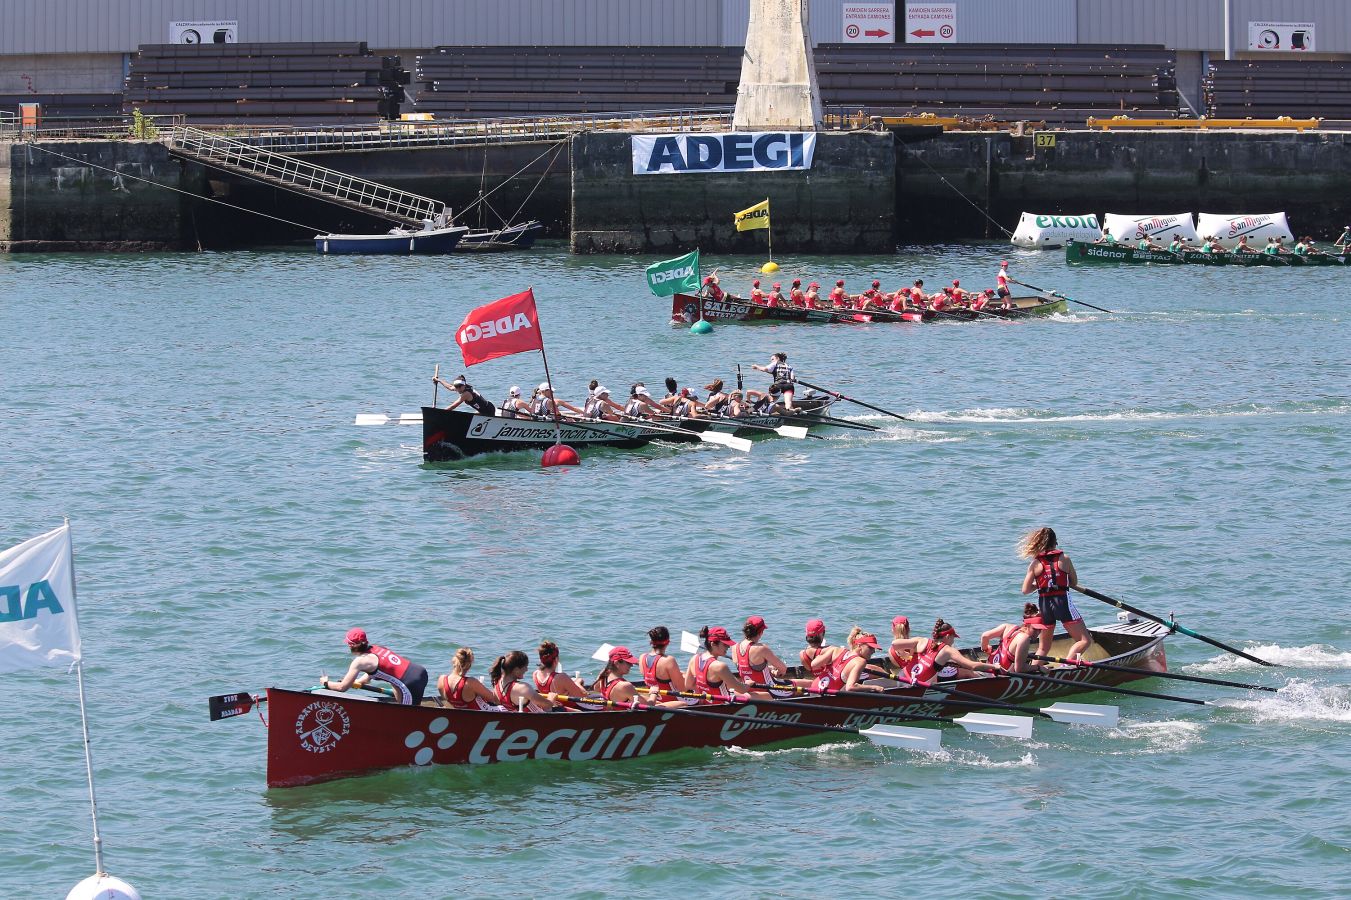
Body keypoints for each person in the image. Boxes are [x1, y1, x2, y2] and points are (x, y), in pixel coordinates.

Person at [1019, 526, 1094, 660]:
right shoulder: (1064, 558)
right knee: (1084, 640)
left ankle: (1037, 669)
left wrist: (1040, 584)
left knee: (1043, 648)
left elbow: (1025, 590)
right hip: (1063, 604)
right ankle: (1067, 665)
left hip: (1045, 606)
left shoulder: (1035, 563)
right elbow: (1073, 582)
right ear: (1055, 542)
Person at [322, 627, 428, 705]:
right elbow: (371, 675)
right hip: (420, 672)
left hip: (410, 683)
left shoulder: (359, 661)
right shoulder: (378, 648)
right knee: (394, 682)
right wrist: (359, 682)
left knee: (408, 719)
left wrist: (326, 683)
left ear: (351, 645)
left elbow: (342, 687)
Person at [895, 620, 1001, 685]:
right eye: (953, 637)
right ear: (947, 636)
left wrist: (909, 654)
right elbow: (972, 665)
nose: (953, 641)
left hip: (902, 677)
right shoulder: (948, 650)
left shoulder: (922, 640)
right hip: (913, 687)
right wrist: (994, 666)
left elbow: (895, 644)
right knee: (968, 672)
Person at [685, 626, 756, 703]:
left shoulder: (694, 658)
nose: (728, 646)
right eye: (725, 644)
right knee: (750, 695)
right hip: (723, 706)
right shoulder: (720, 666)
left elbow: (688, 685)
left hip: (706, 704)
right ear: (713, 644)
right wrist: (748, 684)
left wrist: (706, 688)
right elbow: (741, 689)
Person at [979, 604, 1050, 674]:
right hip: (1000, 675)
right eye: (1035, 629)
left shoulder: (1007, 627)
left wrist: (985, 649)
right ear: (1026, 625)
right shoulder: (1024, 639)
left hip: (988, 666)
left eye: (1040, 629)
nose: (1038, 633)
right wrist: (1038, 667)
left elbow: (984, 636)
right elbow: (1019, 669)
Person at [813, 627, 885, 693]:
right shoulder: (860, 662)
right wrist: (875, 687)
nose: (873, 651)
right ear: (859, 645)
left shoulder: (837, 649)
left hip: (814, 687)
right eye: (870, 648)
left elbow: (814, 664)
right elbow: (850, 687)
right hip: (826, 695)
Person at [733, 615, 789, 691]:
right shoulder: (762, 648)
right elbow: (783, 669)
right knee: (807, 683)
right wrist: (776, 673)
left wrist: (768, 669)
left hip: (748, 689)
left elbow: (749, 668)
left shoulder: (734, 647)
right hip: (768, 689)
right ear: (761, 632)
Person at [437, 647, 504, 710]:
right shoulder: (470, 682)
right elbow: (495, 700)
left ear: (454, 661)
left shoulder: (441, 680)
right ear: (469, 665)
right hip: (482, 715)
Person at [532, 640, 587, 710]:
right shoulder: (561, 677)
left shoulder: (535, 674)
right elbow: (582, 697)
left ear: (541, 659)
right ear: (556, 659)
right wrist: (577, 683)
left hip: (553, 706)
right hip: (569, 709)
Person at [639, 626, 688, 703]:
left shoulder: (642, 658)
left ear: (651, 641)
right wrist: (688, 677)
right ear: (668, 642)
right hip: (673, 702)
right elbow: (682, 689)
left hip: (657, 700)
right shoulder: (668, 660)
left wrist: (680, 674)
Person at [796, 618, 840, 687]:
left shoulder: (802, 655)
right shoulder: (830, 650)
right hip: (833, 684)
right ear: (822, 633)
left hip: (819, 682)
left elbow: (810, 669)